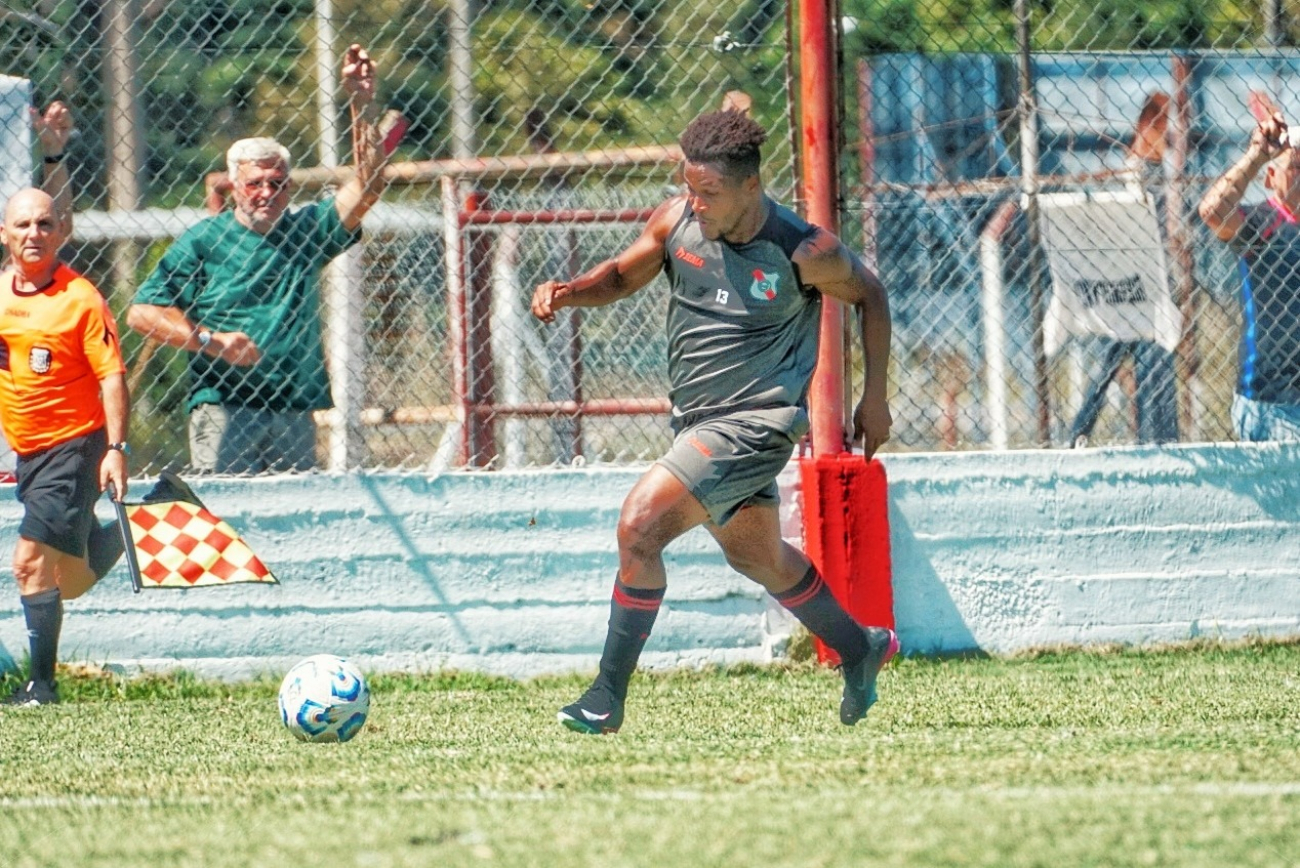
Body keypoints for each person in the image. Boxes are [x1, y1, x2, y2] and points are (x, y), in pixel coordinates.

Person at [531, 109, 896, 735]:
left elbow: (871, 294)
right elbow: (619, 276)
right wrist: (569, 291)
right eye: (689, 187)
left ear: (751, 186)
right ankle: (859, 647)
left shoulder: (803, 250)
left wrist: (876, 398)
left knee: (639, 528)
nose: (695, 203)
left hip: (757, 425)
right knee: (759, 558)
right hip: (697, 422)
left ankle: (605, 697)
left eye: (710, 192)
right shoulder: (677, 222)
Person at [126, 44, 389, 474]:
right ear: (233, 186)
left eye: (277, 183)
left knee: (294, 509)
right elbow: (141, 312)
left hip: (293, 406)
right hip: (225, 405)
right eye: (255, 183)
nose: (267, 193)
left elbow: (370, 185)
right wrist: (211, 341)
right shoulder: (203, 241)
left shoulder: (307, 231)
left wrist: (361, 105)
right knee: (225, 509)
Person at [0, 105, 130, 707]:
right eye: (23, 224)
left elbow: (112, 376)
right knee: (67, 583)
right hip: (29, 454)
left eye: (45, 224)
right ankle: (135, 523)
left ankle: (41, 687)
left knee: (28, 563)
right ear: (5, 234)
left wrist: (117, 449)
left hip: (76, 446)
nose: (34, 233)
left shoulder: (80, 299)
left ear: (60, 233)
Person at [1069, 92, 1179, 447]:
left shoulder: (1152, 170)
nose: (1170, 138)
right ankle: (1081, 433)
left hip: (1148, 285)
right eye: (1164, 128)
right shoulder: (1137, 170)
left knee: (1130, 364)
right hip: (1131, 284)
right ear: (1149, 126)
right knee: (1109, 363)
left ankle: (1146, 437)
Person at [1198, 106, 1300, 441]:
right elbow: (1213, 211)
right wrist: (1257, 154)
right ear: (1271, 177)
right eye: (1296, 167)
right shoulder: (1261, 223)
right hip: (1272, 402)